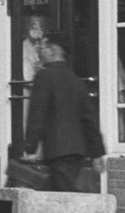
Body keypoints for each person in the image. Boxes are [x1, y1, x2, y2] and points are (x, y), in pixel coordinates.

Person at [22, 31, 105, 192]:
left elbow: (38, 114)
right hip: (76, 151)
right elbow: (90, 119)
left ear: (54, 50)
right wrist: (97, 152)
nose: (40, 50)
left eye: (43, 46)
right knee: (59, 192)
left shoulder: (44, 77)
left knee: (65, 195)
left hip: (57, 149)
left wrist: (30, 148)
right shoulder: (75, 80)